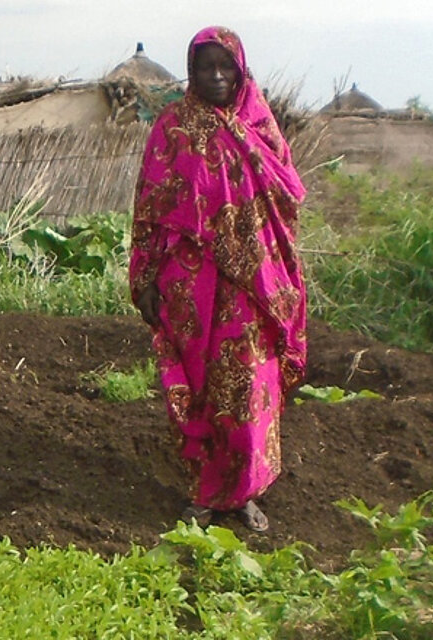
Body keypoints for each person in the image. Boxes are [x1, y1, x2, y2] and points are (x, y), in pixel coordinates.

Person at [129, 26, 307, 533]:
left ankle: (245, 493)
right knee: (201, 386)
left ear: (240, 68)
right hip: (192, 284)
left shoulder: (260, 128)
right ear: (191, 71)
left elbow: (287, 198)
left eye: (224, 66)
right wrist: (146, 277)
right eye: (205, 66)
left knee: (250, 386)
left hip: (253, 286)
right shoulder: (173, 127)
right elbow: (150, 208)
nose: (215, 75)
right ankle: (207, 492)